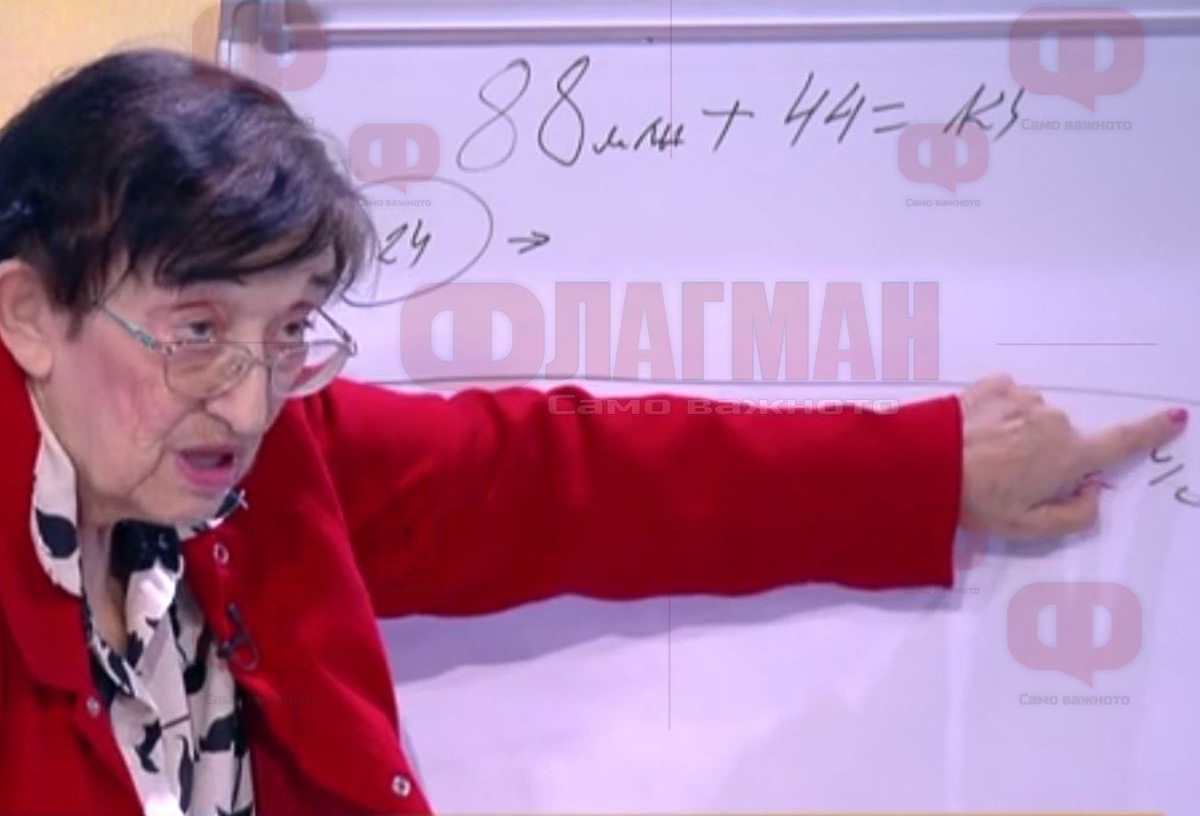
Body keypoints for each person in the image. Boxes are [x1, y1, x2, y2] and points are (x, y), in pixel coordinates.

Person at [0, 48, 1185, 816]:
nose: (252, 402)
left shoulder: (274, 459)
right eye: (198, 329)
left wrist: (930, 468)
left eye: (291, 331)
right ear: (31, 314)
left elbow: (569, 477)